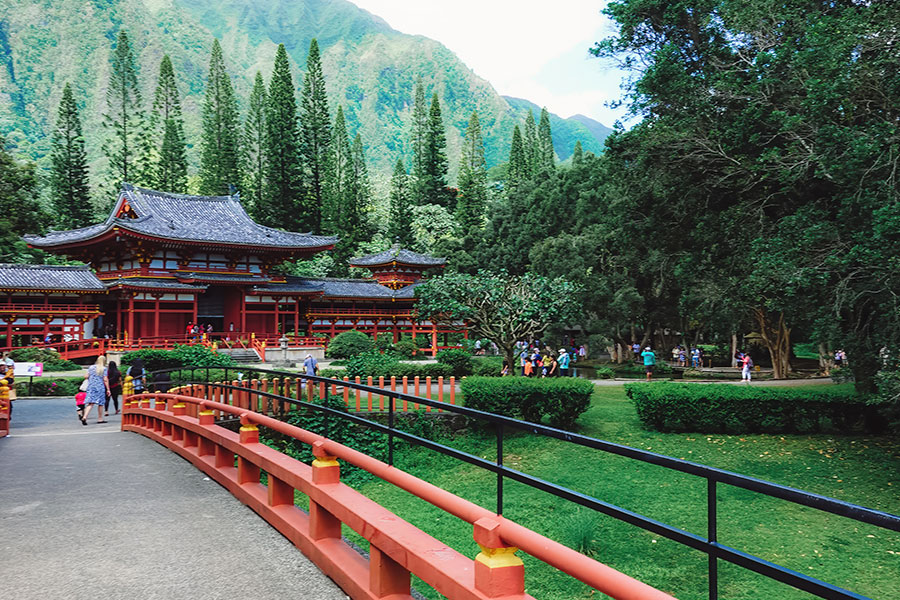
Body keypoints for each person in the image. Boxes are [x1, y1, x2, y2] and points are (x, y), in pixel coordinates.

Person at [81, 355, 110, 425]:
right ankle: (100, 418)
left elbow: (86, 376)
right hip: (100, 387)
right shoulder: (104, 369)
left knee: (90, 403)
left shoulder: (91, 367)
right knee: (100, 403)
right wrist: (108, 389)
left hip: (91, 386)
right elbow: (105, 379)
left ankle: (84, 417)